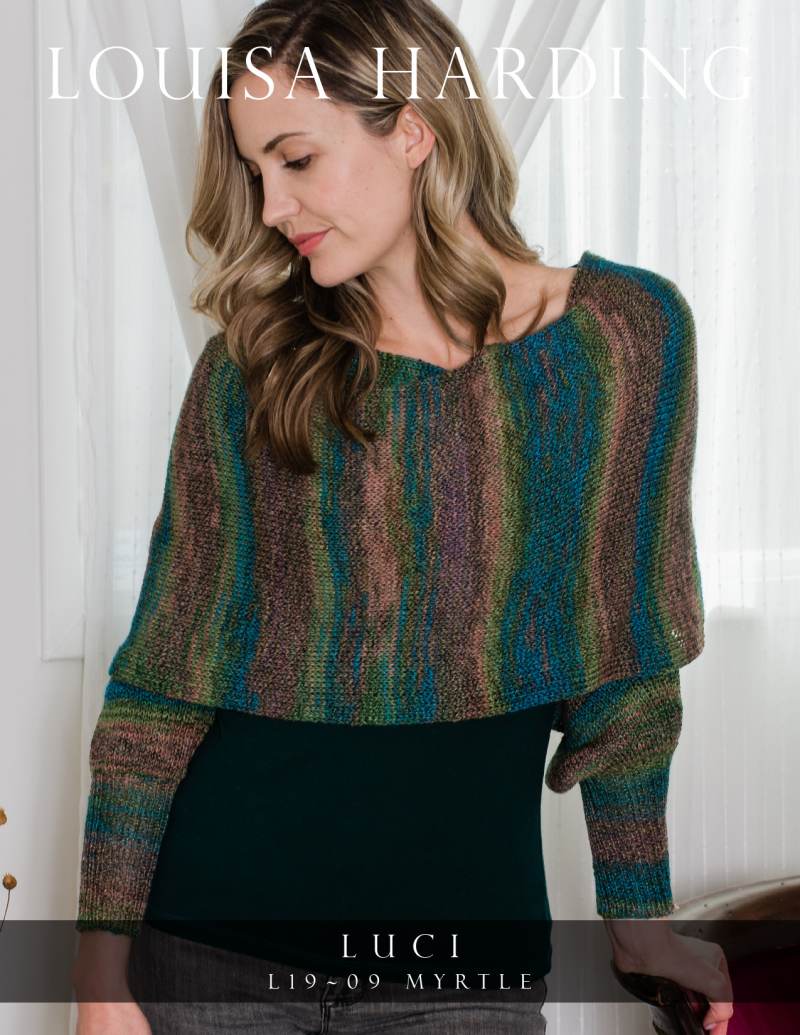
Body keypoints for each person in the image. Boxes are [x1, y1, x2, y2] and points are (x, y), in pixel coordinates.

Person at [71, 1, 734, 1033]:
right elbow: (162, 682)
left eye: (296, 158)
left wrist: (638, 926)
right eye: (255, 171)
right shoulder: (255, 368)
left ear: (414, 130)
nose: (272, 205)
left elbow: (627, 675)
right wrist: (99, 982)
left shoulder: (623, 340)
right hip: (214, 952)